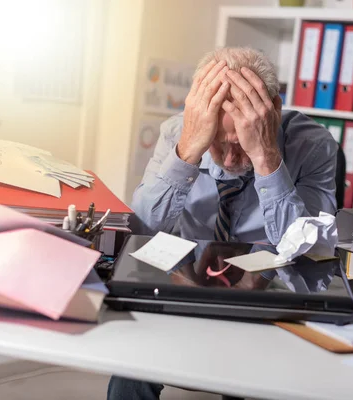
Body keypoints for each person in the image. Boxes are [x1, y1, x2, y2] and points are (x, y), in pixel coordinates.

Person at [108, 47, 338, 400]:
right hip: (184, 283)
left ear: (273, 111)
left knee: (261, 374)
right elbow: (141, 229)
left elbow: (308, 248)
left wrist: (265, 158)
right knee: (132, 360)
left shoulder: (313, 145)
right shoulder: (177, 133)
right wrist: (188, 151)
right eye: (217, 144)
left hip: (270, 290)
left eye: (240, 145)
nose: (230, 159)